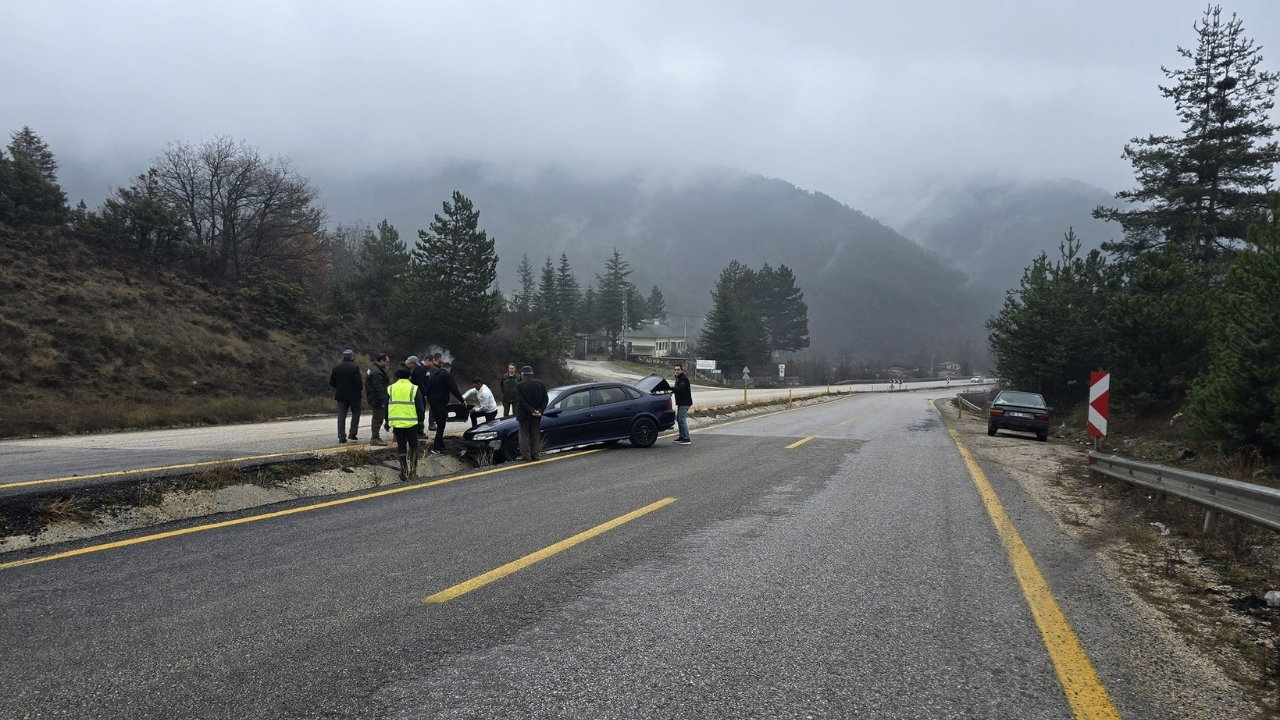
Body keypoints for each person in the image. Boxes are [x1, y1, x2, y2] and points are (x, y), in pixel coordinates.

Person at [386, 365, 426, 481]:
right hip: (411, 424)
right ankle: (413, 472)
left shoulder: (391, 388)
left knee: (401, 447)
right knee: (414, 446)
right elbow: (420, 407)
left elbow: (387, 406)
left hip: (397, 424)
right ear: (409, 376)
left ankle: (403, 471)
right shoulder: (414, 388)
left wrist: (387, 421)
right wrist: (421, 421)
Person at [426, 360, 465, 455]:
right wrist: (462, 400)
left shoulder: (434, 375)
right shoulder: (447, 375)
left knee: (440, 424)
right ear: (448, 368)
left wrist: (431, 401)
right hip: (440, 403)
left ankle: (441, 445)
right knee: (441, 426)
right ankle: (437, 448)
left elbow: (428, 390)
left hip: (433, 403)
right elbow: (453, 389)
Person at [329, 349, 363, 443]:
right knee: (356, 412)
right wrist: (358, 390)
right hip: (354, 396)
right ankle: (352, 433)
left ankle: (341, 436)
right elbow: (358, 383)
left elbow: (332, 382)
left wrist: (339, 388)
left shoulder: (336, 368)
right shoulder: (355, 367)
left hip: (341, 395)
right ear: (352, 357)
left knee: (341, 415)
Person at [515, 365, 548, 461]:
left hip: (524, 414)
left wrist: (531, 411)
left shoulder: (520, 385)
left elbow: (522, 400)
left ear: (523, 374)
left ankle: (526, 456)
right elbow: (545, 399)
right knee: (535, 434)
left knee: (523, 435)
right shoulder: (541, 384)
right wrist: (540, 410)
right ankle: (535, 455)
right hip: (537, 415)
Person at [365, 354, 391, 446]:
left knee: (377, 417)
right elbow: (378, 388)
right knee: (377, 418)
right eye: (387, 362)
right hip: (377, 399)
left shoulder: (372, 368)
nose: (388, 364)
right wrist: (383, 401)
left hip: (373, 398)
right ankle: (375, 438)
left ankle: (375, 437)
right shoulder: (377, 372)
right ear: (382, 361)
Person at [672, 363, 693, 445]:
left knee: (682, 419)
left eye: (678, 370)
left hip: (685, 402)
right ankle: (681, 436)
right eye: (675, 369)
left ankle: (687, 438)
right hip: (681, 402)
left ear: (681, 370)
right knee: (679, 419)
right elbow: (676, 389)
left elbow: (680, 389)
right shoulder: (678, 378)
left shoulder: (683, 379)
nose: (676, 371)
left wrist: (671, 389)